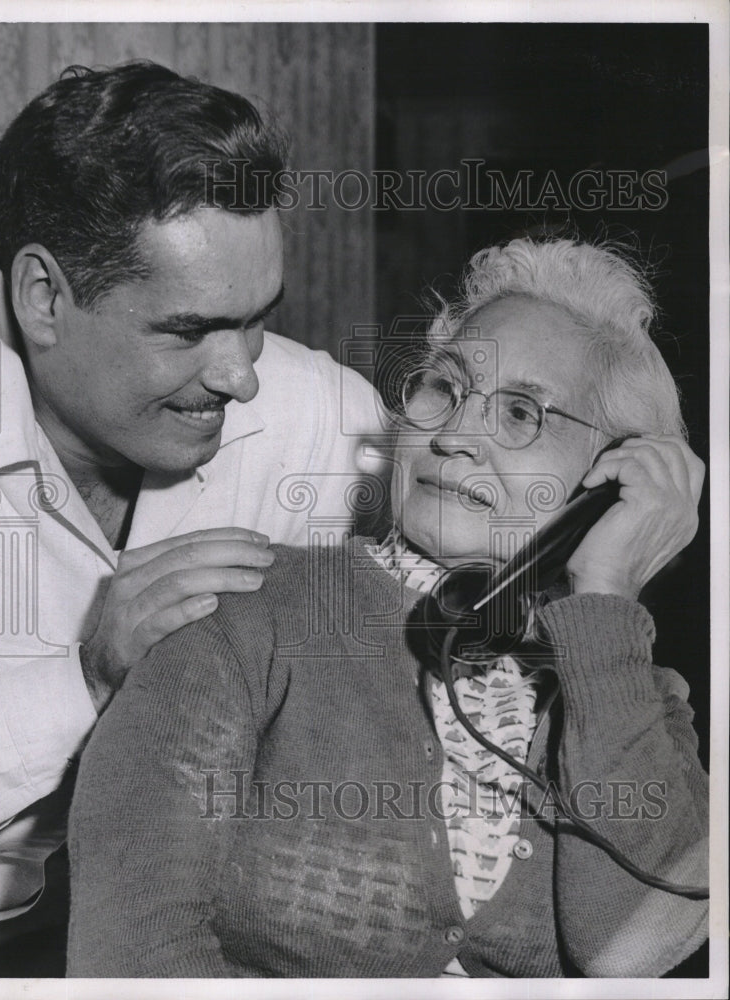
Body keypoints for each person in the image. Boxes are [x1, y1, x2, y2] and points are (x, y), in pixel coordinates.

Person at [67, 236, 708, 978]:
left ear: (605, 484)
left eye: (522, 413)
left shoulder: (634, 700)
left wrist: (603, 603)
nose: (454, 436)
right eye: (443, 387)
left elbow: (625, 952)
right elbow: (133, 950)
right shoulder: (242, 616)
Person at [0, 61, 385, 975]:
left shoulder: (323, 421)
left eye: (258, 318)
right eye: (187, 330)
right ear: (44, 298)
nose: (242, 375)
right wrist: (90, 677)